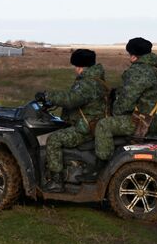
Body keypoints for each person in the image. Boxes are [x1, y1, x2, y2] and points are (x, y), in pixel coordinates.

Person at [35, 49, 108, 192]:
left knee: (54, 140)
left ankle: (57, 182)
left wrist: (47, 96)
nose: (75, 69)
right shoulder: (96, 79)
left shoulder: (87, 83)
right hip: (93, 124)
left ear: (80, 66)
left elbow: (71, 99)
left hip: (86, 129)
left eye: (76, 65)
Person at [94, 37, 157, 163]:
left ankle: (103, 165)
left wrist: (112, 112)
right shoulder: (155, 69)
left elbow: (125, 103)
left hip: (143, 121)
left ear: (133, 55)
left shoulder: (139, 71)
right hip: (154, 117)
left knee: (103, 125)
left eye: (129, 53)